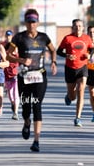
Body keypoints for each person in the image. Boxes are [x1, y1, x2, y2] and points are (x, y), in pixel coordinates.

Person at [6, 9, 57, 152]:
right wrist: (21, 59)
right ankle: (26, 122)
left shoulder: (44, 37)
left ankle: (36, 141)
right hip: (24, 76)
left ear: (37, 22)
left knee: (37, 106)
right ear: (25, 23)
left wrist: (53, 62)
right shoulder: (19, 38)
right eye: (29, 22)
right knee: (26, 107)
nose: (31, 25)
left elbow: (53, 50)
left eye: (33, 22)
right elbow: (8, 56)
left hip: (40, 76)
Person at [57, 19, 94, 127]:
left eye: (80, 26)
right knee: (73, 96)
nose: (78, 28)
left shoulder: (87, 38)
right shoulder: (67, 38)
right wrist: (67, 56)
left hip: (82, 67)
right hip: (70, 68)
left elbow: (92, 49)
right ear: (72, 28)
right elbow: (59, 51)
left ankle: (78, 118)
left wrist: (89, 55)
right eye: (76, 26)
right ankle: (69, 96)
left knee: (81, 91)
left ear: (83, 27)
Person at [1, 30, 20, 120]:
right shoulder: (3, 45)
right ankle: (13, 104)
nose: (8, 37)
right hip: (6, 73)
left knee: (15, 93)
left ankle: (15, 112)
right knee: (10, 95)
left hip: (15, 73)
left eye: (10, 36)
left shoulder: (16, 46)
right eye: (7, 35)